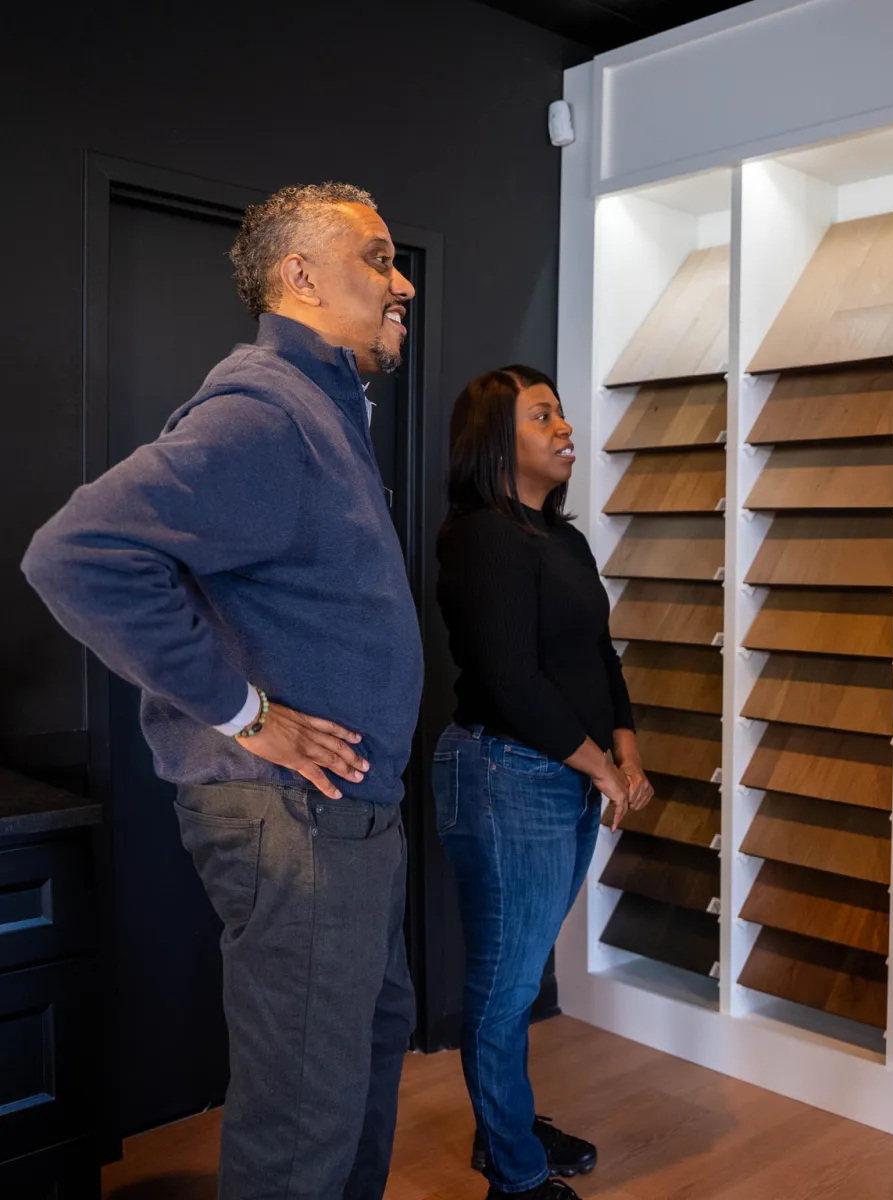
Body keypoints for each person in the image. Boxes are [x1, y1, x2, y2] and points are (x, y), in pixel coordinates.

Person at [22, 183, 424, 1197]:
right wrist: (249, 716)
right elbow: (75, 555)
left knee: (361, 1066)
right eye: (377, 259)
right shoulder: (266, 409)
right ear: (299, 275)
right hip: (298, 821)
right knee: (303, 1121)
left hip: (347, 815)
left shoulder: (324, 411)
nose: (400, 283)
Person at [433, 365, 652, 1200]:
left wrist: (626, 756)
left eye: (561, 414)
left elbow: (599, 659)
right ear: (497, 440)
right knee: (506, 982)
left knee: (517, 975)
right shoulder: (481, 535)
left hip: (561, 775)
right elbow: (512, 678)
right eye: (543, 416)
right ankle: (516, 1178)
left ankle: (507, 1130)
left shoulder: (563, 540)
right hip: (504, 772)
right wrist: (605, 771)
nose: (566, 429)